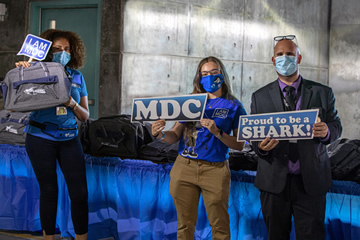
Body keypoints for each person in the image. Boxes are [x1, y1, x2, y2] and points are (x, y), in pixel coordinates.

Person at [250, 35, 342, 240]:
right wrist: (261, 147)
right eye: (280, 55)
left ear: (299, 58)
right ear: (273, 60)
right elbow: (254, 137)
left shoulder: (322, 92)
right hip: (273, 182)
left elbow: (336, 125)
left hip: (310, 181)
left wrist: (327, 131)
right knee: (275, 236)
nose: (285, 58)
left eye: (290, 54)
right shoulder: (259, 96)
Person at [151, 56, 247, 239]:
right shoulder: (191, 102)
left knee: (219, 226)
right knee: (184, 226)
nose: (209, 77)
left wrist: (218, 132)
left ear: (222, 74)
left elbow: (240, 144)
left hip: (215, 170)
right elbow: (175, 135)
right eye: (204, 74)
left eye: (213, 72)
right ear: (199, 78)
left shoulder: (234, 106)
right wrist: (160, 134)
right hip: (184, 167)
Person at [15, 29, 89, 240]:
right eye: (57, 49)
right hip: (40, 138)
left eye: (67, 49)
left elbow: (84, 116)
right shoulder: (35, 71)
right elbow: (16, 102)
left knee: (80, 194)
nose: (62, 53)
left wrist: (71, 103)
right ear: (47, 51)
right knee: (49, 191)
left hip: (69, 139)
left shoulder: (77, 76)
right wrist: (22, 73)